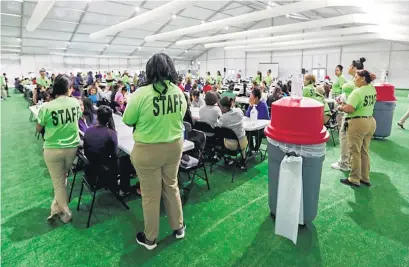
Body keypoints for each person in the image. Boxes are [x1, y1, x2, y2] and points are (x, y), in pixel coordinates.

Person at [122, 53, 187, 250]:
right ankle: (179, 228)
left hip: (148, 151)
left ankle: (150, 239)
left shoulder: (141, 94)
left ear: (149, 70)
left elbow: (127, 120)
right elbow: (181, 116)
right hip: (175, 146)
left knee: (150, 195)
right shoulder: (178, 91)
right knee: (172, 186)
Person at [36, 74, 81, 223]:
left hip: (52, 149)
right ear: (68, 88)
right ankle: (55, 209)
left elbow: (38, 127)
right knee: (63, 177)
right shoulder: (75, 102)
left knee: (58, 182)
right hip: (72, 148)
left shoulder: (46, 107)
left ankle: (66, 212)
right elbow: (78, 117)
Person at [338, 70, 377, 187]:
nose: (354, 79)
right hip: (370, 121)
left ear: (363, 79)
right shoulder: (372, 89)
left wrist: (341, 106)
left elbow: (350, 108)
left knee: (355, 152)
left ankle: (354, 178)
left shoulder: (357, 92)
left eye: (356, 77)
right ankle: (365, 177)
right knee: (364, 151)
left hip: (358, 122)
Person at [331, 57, 366, 172]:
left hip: (351, 113)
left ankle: (344, 163)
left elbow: (352, 95)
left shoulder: (353, 82)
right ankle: (349, 162)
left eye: (350, 66)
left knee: (344, 137)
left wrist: (342, 102)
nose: (349, 68)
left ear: (355, 68)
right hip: (358, 114)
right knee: (352, 141)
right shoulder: (359, 81)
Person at [217, 96, 247, 169]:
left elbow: (218, 127)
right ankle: (243, 159)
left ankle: (225, 157)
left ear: (224, 107)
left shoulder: (223, 118)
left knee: (221, 135)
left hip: (228, 145)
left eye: (220, 107)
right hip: (241, 144)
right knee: (244, 133)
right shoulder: (239, 110)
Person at [246, 88, 270, 154]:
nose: (250, 98)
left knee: (258, 132)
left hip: (263, 127)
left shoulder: (263, 105)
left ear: (256, 98)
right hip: (254, 126)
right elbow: (247, 115)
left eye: (251, 97)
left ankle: (256, 149)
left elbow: (259, 119)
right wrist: (250, 106)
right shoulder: (252, 104)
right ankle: (251, 148)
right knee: (247, 132)